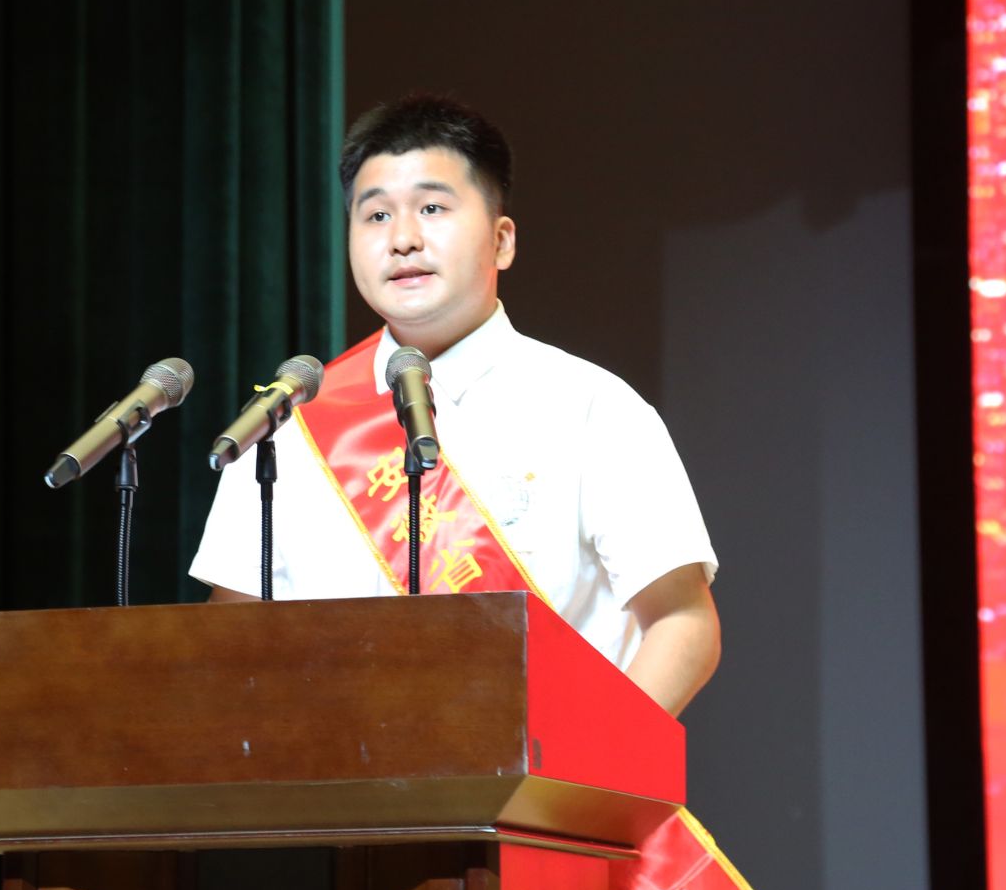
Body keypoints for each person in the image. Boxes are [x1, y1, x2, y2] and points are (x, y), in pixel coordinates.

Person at [191, 94, 721, 717]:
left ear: (501, 240)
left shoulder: (592, 408)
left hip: (539, 774)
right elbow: (231, 641)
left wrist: (591, 761)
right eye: (376, 215)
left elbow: (683, 624)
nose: (403, 239)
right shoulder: (288, 425)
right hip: (335, 774)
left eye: (432, 208)